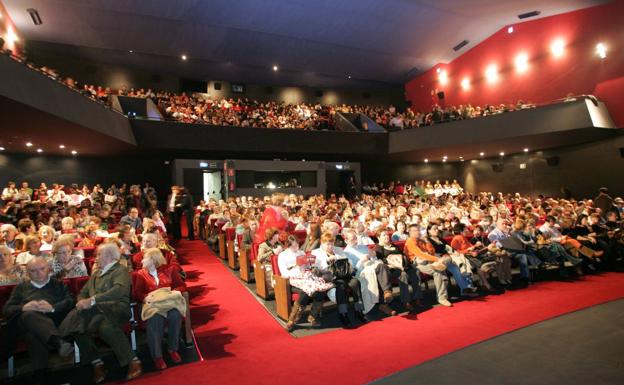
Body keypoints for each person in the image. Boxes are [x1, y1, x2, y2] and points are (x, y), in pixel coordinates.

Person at [60, 243, 142, 383]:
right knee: (78, 329)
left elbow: (118, 291)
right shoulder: (97, 273)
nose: (95, 258)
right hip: (95, 312)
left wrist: (92, 301)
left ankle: (133, 361)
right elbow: (82, 292)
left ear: (109, 256)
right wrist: (81, 302)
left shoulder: (120, 270)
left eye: (98, 254)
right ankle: (97, 363)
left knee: (105, 328)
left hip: (116, 309)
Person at [2, 257, 74, 377]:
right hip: (26, 324)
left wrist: (52, 308)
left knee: (34, 336)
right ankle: (58, 343)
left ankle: (41, 378)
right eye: (33, 271)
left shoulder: (58, 284)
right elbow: (7, 310)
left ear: (48, 269)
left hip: (53, 323)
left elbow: (70, 301)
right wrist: (23, 307)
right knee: (29, 314)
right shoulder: (21, 288)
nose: (38, 273)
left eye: (42, 269)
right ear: (28, 273)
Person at [133, 248, 187, 370]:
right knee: (155, 318)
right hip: (153, 305)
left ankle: (173, 349)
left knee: (175, 315)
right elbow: (137, 293)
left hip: (168, 302)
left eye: (145, 258)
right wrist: (145, 297)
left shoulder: (170, 270)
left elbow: (181, 286)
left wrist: (173, 293)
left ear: (153, 260)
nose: (142, 260)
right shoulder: (141, 274)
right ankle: (157, 356)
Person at [278, 236, 333, 331]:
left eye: (297, 244)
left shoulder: (301, 252)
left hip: (306, 277)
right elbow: (284, 273)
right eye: (293, 245)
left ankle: (312, 316)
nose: (296, 247)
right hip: (292, 280)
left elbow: (308, 266)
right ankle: (292, 320)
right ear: (288, 245)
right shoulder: (282, 255)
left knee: (320, 289)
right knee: (305, 292)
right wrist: (296, 267)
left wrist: (310, 263)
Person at [312, 232, 364, 327]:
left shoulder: (339, 250)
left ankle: (359, 310)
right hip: (331, 277)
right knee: (341, 286)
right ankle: (343, 314)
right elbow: (317, 268)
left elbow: (347, 262)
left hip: (344, 274)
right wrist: (328, 261)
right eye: (327, 244)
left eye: (332, 243)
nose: (330, 246)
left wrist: (336, 257)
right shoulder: (316, 253)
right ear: (322, 243)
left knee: (355, 282)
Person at [375, 231, 421, 311]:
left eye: (387, 235)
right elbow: (381, 262)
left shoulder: (393, 245)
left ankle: (417, 297)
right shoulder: (378, 248)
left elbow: (403, 255)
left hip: (402, 266)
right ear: (379, 238)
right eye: (384, 235)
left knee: (415, 271)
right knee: (403, 275)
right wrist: (395, 264)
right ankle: (406, 301)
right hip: (391, 269)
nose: (387, 236)